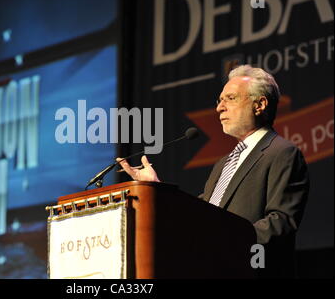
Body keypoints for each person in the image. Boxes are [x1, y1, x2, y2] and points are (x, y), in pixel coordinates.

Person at [117, 65, 310, 278]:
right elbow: (198, 215)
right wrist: (156, 189)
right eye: (220, 100)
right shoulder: (223, 164)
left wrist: (221, 245)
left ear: (260, 105)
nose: (220, 108)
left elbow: (280, 222)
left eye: (231, 98)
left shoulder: (282, 153)